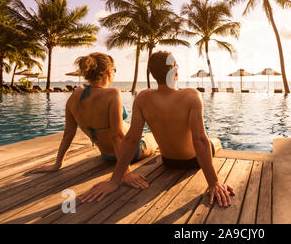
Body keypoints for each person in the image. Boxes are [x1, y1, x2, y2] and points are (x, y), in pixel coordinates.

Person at [80, 51, 235, 207]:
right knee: (213, 140)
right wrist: (214, 182)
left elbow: (131, 140)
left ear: (153, 74)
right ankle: (216, 143)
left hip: (168, 161)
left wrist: (114, 180)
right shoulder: (191, 96)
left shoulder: (142, 98)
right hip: (192, 162)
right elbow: (200, 141)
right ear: (175, 73)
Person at [27, 52, 156, 189]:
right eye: (114, 70)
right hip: (129, 152)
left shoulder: (74, 96)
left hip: (106, 155)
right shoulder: (113, 94)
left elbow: (68, 134)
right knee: (154, 136)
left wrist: (57, 164)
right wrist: (126, 173)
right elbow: (117, 136)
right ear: (108, 72)